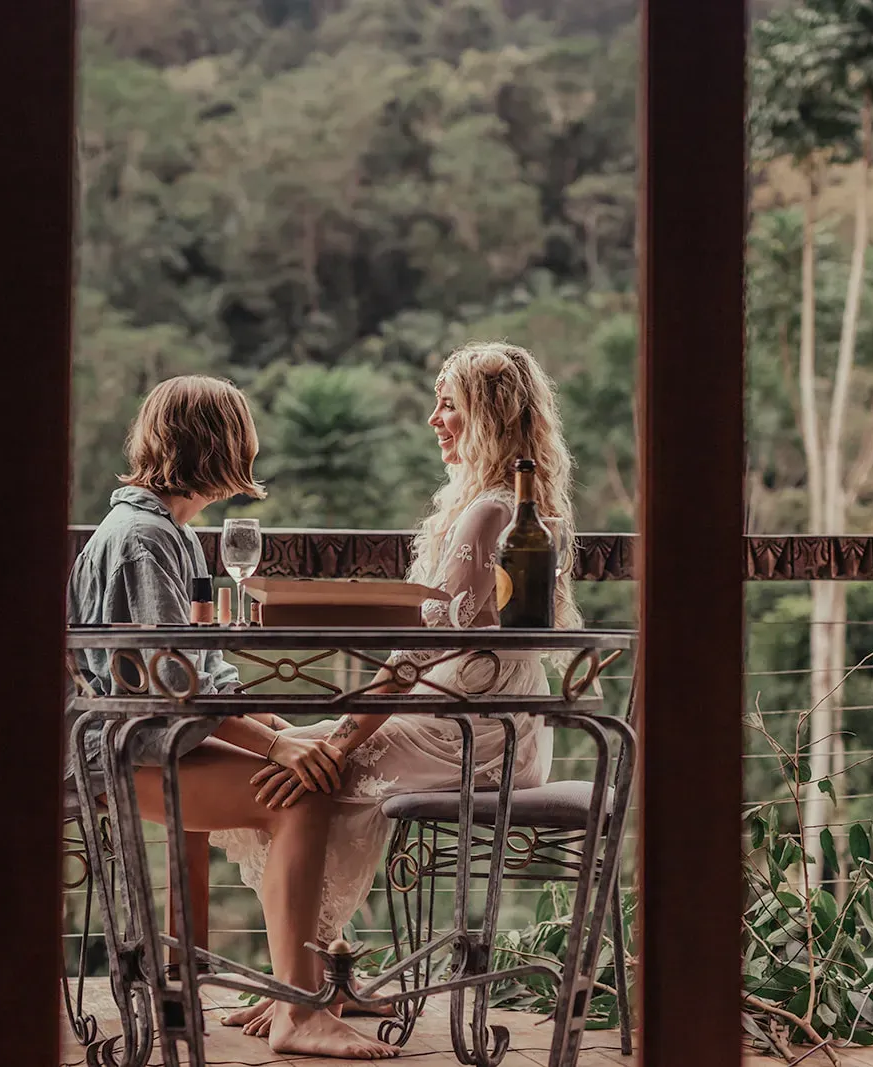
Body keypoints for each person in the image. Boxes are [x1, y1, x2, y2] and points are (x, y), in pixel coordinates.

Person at [213, 342, 582, 1036]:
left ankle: (306, 986)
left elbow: (420, 653)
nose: (434, 419)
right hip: (507, 728)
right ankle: (314, 980)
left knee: (302, 768)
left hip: (474, 734)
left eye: (450, 405)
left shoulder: (488, 514)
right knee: (298, 753)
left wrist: (348, 730)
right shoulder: (511, 507)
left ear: (490, 417)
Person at [67, 374, 398, 1059]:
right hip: (129, 754)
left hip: (163, 742)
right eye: (243, 435)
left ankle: (272, 981)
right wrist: (276, 750)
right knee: (300, 796)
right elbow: (172, 682)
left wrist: (277, 732)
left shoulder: (167, 532)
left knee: (327, 751)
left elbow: (198, 678)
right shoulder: (143, 540)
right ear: (216, 445)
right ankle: (298, 1008)